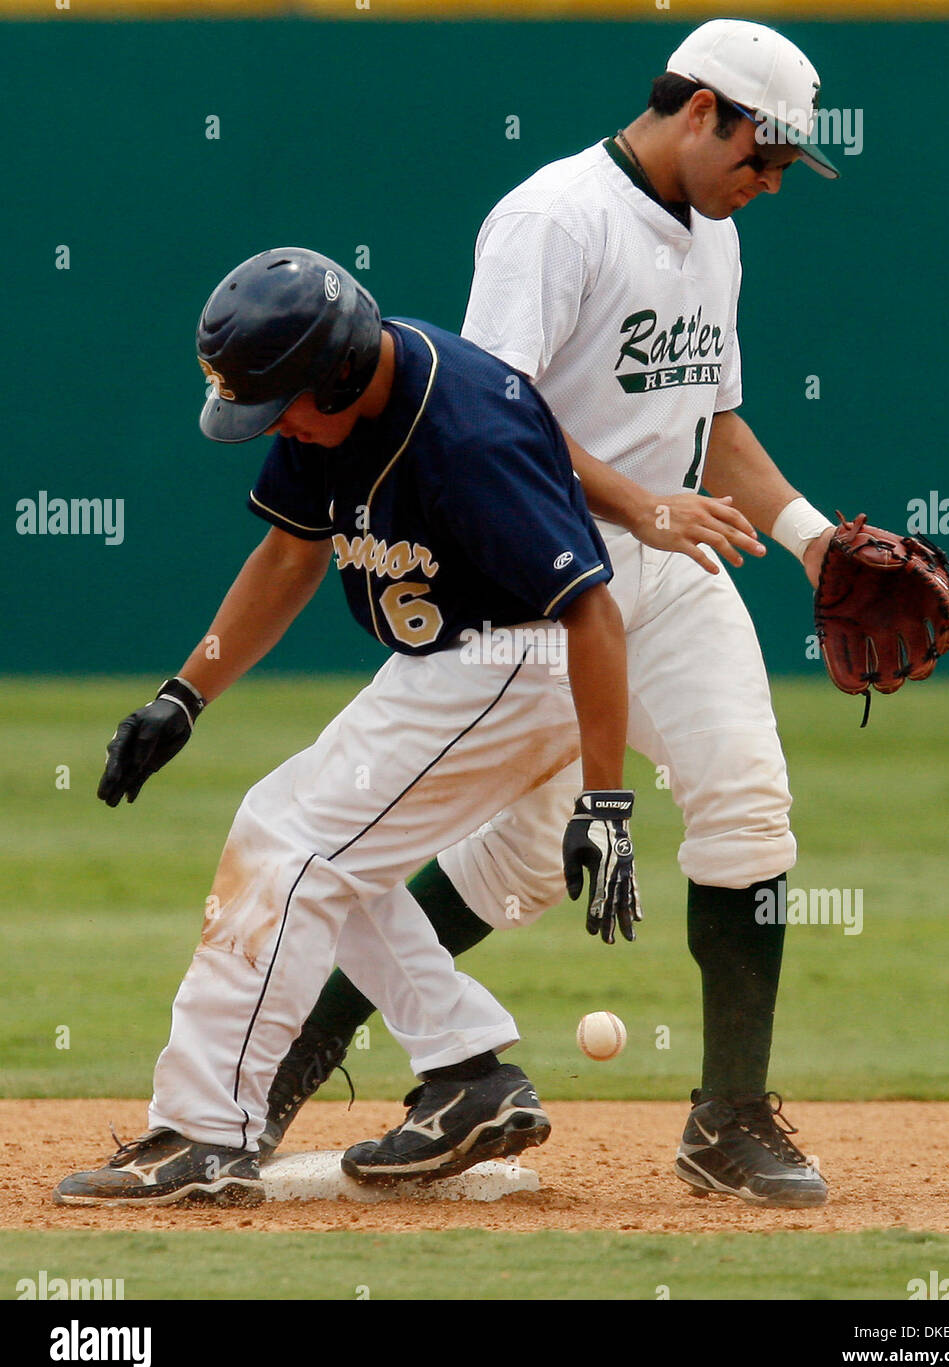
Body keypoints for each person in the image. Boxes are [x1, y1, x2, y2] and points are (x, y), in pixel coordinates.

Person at [262, 19, 843, 1210]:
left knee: (746, 801)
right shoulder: (553, 218)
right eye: (762, 154)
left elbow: (713, 429)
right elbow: (486, 423)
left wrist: (813, 541)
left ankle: (728, 1119)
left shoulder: (712, 235)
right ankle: (289, 1079)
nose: (771, 180)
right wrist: (640, 504)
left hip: (670, 570)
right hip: (540, 574)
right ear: (699, 111)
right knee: (517, 863)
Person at [53, 246, 641, 1206]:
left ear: (335, 371)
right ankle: (467, 1079)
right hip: (446, 664)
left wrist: (605, 798)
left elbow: (592, 613)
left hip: (515, 664)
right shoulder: (328, 399)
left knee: (288, 846)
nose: (273, 425)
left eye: (278, 406)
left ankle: (205, 1134)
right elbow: (290, 553)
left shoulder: (466, 429)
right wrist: (184, 694)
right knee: (332, 851)